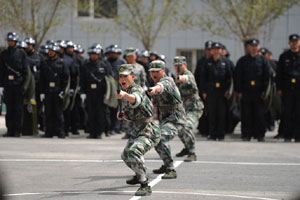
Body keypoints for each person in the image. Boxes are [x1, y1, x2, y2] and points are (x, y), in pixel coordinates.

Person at [116, 64, 160, 196]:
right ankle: (138, 173)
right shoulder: (127, 90)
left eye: (126, 76)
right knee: (125, 155)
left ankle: (145, 185)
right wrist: (124, 115)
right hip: (138, 129)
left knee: (134, 152)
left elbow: (136, 100)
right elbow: (132, 112)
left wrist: (124, 95)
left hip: (149, 130)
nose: (123, 79)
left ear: (133, 77)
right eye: (121, 76)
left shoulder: (136, 89)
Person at [147, 60, 186, 178]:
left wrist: (154, 89)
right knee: (156, 139)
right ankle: (166, 163)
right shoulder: (155, 81)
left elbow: (161, 87)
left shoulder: (167, 80)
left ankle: (171, 169)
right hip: (165, 119)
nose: (154, 74)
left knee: (161, 138)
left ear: (163, 71)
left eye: (157, 71)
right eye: (151, 71)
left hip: (176, 118)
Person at [235, 38, 271, 142]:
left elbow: (267, 77)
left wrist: (265, 91)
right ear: (248, 48)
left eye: (256, 46)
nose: (254, 48)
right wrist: (239, 91)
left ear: (258, 47)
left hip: (259, 92)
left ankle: (260, 135)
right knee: (246, 115)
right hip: (246, 92)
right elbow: (238, 76)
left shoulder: (264, 61)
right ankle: (246, 134)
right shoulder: (242, 61)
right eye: (252, 46)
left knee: (259, 114)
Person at [173, 56, 204, 160]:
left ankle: (192, 152)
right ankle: (187, 147)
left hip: (195, 108)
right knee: (179, 128)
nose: (178, 68)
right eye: (176, 66)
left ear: (185, 65)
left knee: (186, 127)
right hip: (185, 108)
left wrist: (180, 78)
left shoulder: (188, 75)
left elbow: (187, 79)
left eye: (180, 65)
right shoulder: (177, 76)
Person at [201, 42, 233, 140]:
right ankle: (212, 133)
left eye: (218, 48)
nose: (216, 50)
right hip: (210, 92)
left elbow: (229, 78)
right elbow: (203, 78)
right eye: (214, 49)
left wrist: (228, 90)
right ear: (211, 50)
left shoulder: (225, 62)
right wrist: (204, 91)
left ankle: (221, 133)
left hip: (222, 92)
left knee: (221, 114)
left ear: (221, 50)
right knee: (211, 113)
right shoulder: (207, 62)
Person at [0, 32, 29, 137]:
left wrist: (24, 85)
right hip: (8, 85)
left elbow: (26, 72)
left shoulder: (22, 54)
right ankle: (10, 129)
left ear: (16, 42)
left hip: (18, 85)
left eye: (12, 41)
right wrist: (1, 86)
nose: (10, 42)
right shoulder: (3, 54)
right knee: (9, 108)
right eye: (9, 41)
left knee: (18, 109)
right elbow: (1, 71)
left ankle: (17, 130)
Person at [39, 44, 70, 138]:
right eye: (49, 51)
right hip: (48, 91)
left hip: (58, 91)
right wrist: (42, 92)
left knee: (58, 113)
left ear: (56, 52)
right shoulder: (45, 63)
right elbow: (42, 78)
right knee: (48, 112)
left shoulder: (62, 63)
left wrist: (63, 91)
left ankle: (60, 132)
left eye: (52, 51)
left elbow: (66, 78)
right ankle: (49, 132)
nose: (50, 52)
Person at [80, 46, 109, 139]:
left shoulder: (103, 65)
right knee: (91, 112)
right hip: (89, 91)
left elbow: (108, 79)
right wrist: (82, 92)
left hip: (100, 92)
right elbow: (82, 79)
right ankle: (92, 132)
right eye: (92, 54)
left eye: (95, 54)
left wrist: (107, 93)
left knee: (100, 113)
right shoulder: (85, 65)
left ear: (99, 55)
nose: (93, 56)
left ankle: (99, 132)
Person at [276, 34, 300, 142]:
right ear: (289, 43)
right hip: (287, 89)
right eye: (292, 41)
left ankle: (298, 136)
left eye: (296, 41)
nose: (294, 43)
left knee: (298, 112)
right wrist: (279, 88)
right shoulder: (284, 56)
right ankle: (287, 135)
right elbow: (279, 74)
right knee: (288, 112)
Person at [194, 40, 213, 137]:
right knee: (201, 110)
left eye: (210, 49)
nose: (209, 52)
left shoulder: (214, 61)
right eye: (207, 50)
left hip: (211, 90)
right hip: (201, 90)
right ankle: (202, 129)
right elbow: (196, 75)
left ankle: (211, 129)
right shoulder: (201, 61)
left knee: (211, 111)